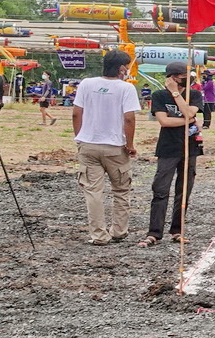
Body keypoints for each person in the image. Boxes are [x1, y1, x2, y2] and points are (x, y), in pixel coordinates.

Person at [72, 49, 140, 246]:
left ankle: (98, 235)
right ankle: (119, 231)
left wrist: (80, 137)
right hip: (115, 147)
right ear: (121, 68)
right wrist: (130, 144)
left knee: (93, 191)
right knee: (121, 190)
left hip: (88, 146)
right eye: (127, 67)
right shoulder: (126, 88)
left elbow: (76, 113)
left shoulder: (86, 84)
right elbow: (129, 118)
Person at [139, 61, 205, 248]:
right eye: (183, 76)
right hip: (168, 148)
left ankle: (177, 230)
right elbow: (165, 122)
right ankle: (154, 233)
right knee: (160, 189)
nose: (187, 79)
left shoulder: (194, 95)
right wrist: (189, 120)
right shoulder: (159, 95)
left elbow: (189, 112)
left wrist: (178, 96)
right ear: (172, 77)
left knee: (183, 191)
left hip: (190, 148)